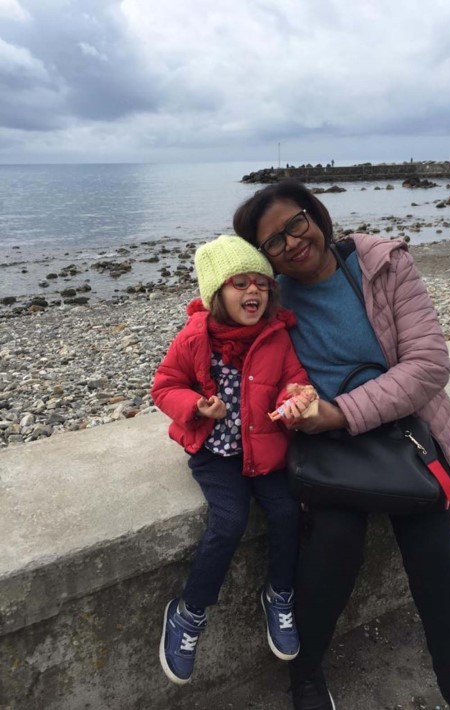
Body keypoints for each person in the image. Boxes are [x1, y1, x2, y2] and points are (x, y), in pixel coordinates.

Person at [233, 180, 450, 710]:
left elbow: (429, 365)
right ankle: (305, 675)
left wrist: (341, 411)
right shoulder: (270, 298)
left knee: (435, 556)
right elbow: (231, 353)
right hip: (329, 448)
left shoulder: (382, 264)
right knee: (333, 540)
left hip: (403, 433)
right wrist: (291, 404)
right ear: (263, 255)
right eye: (273, 241)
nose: (291, 243)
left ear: (315, 214)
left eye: (295, 224)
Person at [152, 235, 316, 686]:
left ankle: (279, 594)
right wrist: (195, 406)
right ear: (216, 294)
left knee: (287, 512)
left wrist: (295, 398)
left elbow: (293, 380)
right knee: (228, 522)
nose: (253, 291)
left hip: (264, 450)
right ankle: (188, 613)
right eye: (239, 283)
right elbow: (164, 386)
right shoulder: (194, 338)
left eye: (261, 283)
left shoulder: (276, 336)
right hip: (216, 454)